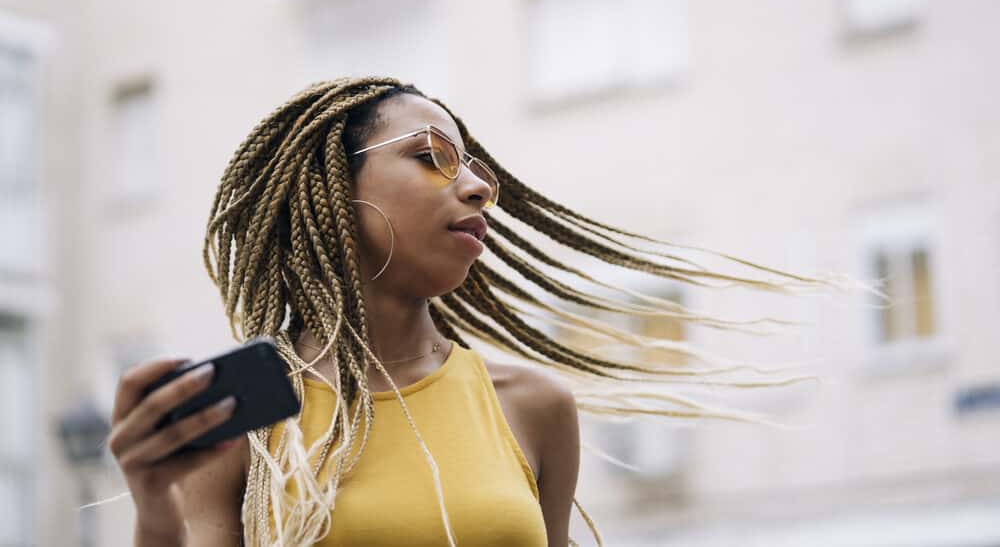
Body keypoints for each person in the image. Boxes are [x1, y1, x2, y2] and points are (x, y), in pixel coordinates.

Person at [107, 77, 844, 546]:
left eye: (475, 169)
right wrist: (152, 510)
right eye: (431, 157)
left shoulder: (535, 406)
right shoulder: (249, 424)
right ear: (333, 190)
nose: (476, 187)